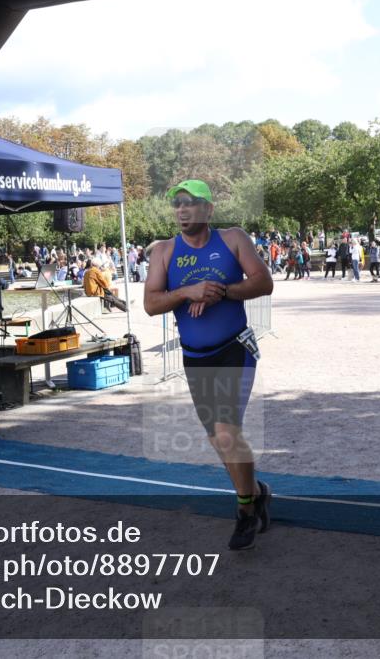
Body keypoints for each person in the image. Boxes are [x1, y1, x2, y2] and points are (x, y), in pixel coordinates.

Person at [144, 179, 274, 550]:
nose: (182, 210)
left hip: (234, 349)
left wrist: (220, 291)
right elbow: (151, 304)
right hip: (194, 357)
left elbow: (264, 282)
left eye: (191, 203)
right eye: (177, 204)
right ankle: (257, 492)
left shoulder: (232, 239)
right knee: (218, 438)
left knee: (227, 430)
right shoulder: (164, 252)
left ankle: (246, 510)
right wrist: (187, 291)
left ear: (209, 209)